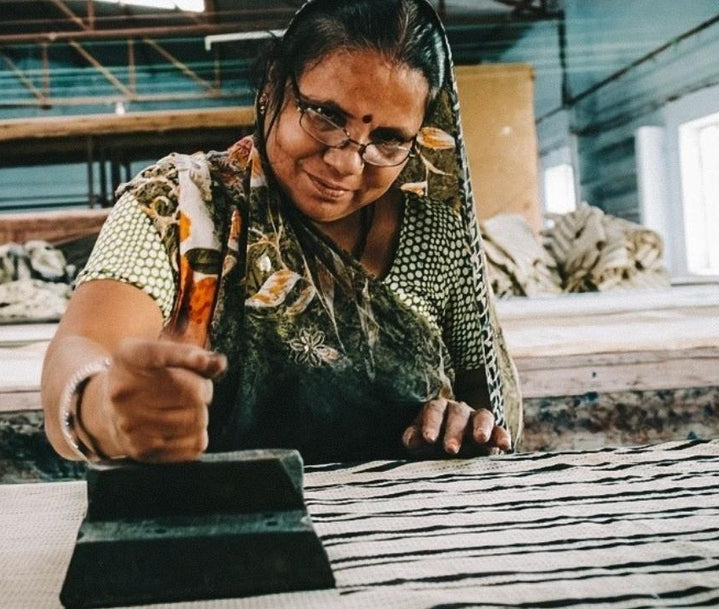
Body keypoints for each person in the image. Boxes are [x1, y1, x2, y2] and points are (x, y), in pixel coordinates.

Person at [41, 0, 522, 465]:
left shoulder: (436, 238)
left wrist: (462, 424)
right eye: (325, 116)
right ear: (274, 86)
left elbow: (487, 408)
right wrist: (108, 408)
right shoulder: (181, 208)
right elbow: (81, 351)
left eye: (387, 140)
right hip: (219, 528)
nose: (346, 162)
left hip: (401, 532)